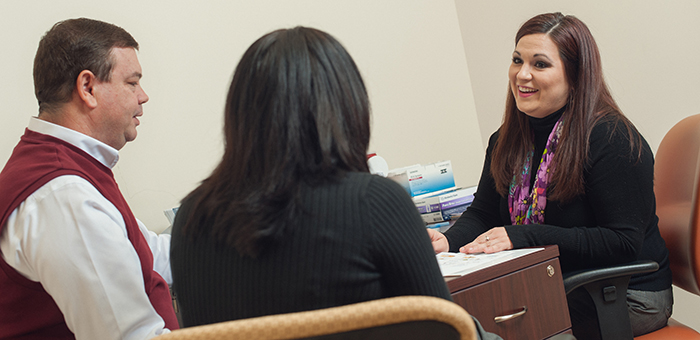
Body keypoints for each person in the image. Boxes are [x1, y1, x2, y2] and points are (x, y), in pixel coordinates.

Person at [169, 27, 500, 340]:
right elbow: (442, 330)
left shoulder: (191, 218)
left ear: (239, 115)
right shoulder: (375, 201)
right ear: (347, 109)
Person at [428, 12, 672, 338]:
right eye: (517, 60)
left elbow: (623, 242)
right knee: (454, 315)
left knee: (488, 321)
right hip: (552, 282)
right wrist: (448, 240)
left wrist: (523, 236)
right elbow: (484, 213)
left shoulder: (612, 139)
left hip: (623, 295)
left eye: (539, 64)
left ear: (575, 75)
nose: (522, 75)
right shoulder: (505, 140)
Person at [0, 18, 178, 339]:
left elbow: (148, 253)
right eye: (132, 83)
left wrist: (229, 249)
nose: (143, 96)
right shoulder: (64, 195)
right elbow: (130, 336)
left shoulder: (66, 167)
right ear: (88, 88)